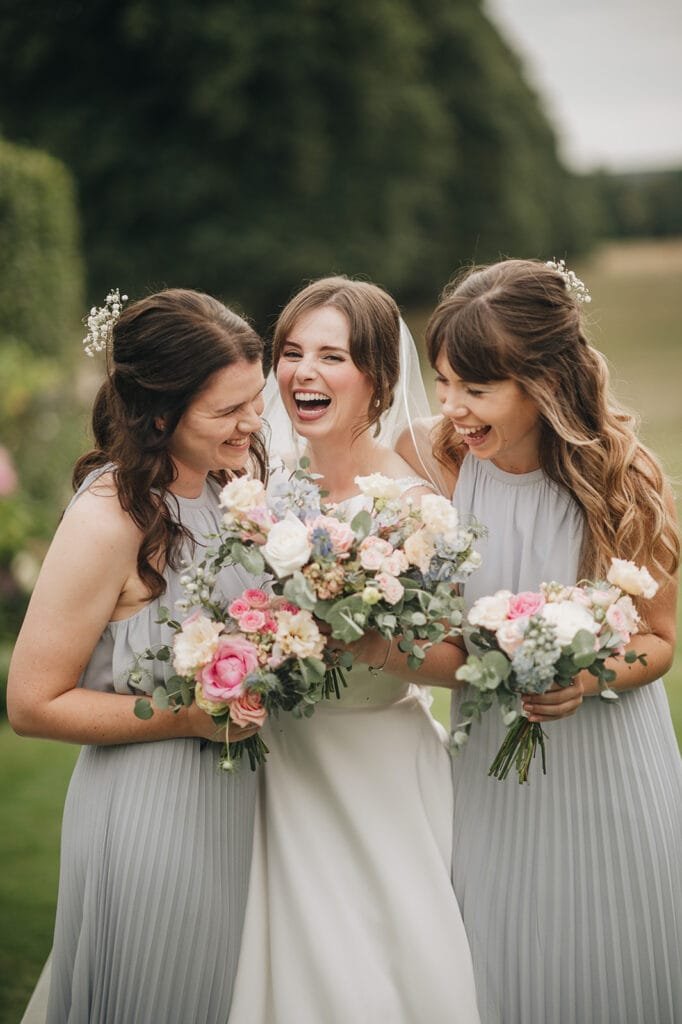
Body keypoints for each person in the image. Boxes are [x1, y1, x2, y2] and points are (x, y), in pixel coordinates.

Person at [399, 258, 682, 1024]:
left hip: (610, 769)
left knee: (614, 960)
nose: (452, 407)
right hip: (492, 776)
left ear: (544, 383)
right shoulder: (434, 465)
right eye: (443, 381)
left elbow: (659, 640)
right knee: (499, 960)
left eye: (476, 388)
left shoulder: (623, 481)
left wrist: (585, 678)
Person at [8, 288, 268, 1024]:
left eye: (256, 399)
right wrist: (187, 718)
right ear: (160, 413)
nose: (252, 424)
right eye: (227, 412)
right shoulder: (109, 519)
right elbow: (31, 703)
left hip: (232, 799)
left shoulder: (230, 484)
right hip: (152, 806)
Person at [227, 276, 481, 1024]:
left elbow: (462, 658)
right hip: (272, 762)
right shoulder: (256, 489)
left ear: (377, 378)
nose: (303, 373)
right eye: (291, 353)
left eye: (331, 356)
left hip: (379, 767)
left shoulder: (415, 506)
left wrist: (362, 640)